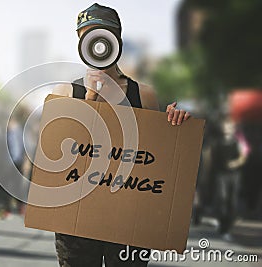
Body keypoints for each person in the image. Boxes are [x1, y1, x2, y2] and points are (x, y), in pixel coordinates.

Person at [52, 3, 190, 267]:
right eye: (88, 37)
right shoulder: (66, 92)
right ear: (81, 43)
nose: (97, 45)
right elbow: (57, 158)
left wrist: (175, 127)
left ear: (117, 40)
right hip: (78, 223)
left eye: (103, 35)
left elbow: (156, 160)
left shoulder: (143, 94)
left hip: (129, 221)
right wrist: (91, 98)